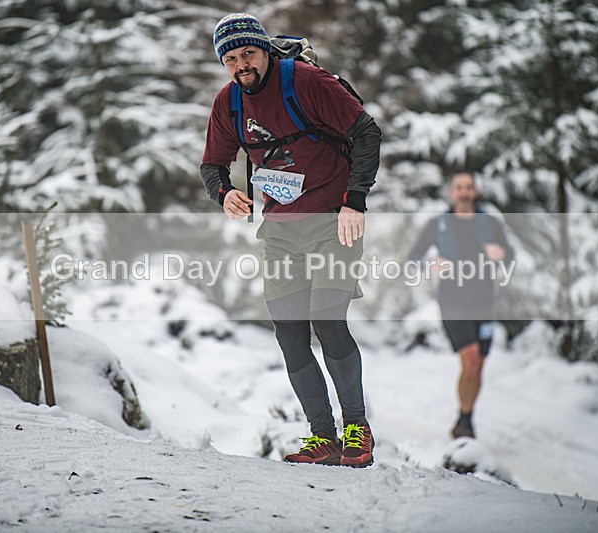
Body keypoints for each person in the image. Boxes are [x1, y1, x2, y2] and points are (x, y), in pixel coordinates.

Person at [200, 13, 382, 467]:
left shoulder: (305, 82)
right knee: (290, 332)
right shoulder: (229, 104)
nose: (242, 65)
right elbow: (212, 165)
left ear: (264, 50)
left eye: (248, 53)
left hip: (332, 219)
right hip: (281, 229)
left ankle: (357, 428)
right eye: (231, 58)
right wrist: (225, 194)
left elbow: (366, 132)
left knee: (327, 319)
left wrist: (354, 201)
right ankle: (323, 437)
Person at [407, 171, 514, 439]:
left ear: (475, 191)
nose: (465, 191)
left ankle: (466, 417)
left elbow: (509, 256)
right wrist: (431, 262)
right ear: (451, 192)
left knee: (478, 363)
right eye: (459, 187)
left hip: (484, 300)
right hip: (452, 300)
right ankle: (465, 425)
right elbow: (412, 259)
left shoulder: (489, 223)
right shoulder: (437, 224)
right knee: (469, 357)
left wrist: (501, 255)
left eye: (469, 187)